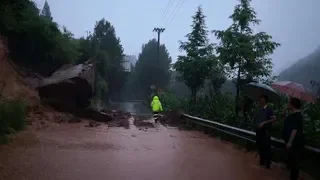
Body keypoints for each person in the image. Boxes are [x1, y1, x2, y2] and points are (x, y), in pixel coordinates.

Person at [282, 97, 305, 180]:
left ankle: (293, 177)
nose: (288, 104)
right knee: (292, 160)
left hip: (295, 142)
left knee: (295, 161)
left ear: (292, 104)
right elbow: (288, 125)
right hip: (291, 142)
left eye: (289, 103)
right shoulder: (293, 115)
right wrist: (284, 116)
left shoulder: (298, 116)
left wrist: (290, 141)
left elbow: (294, 129)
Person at [254, 94, 276, 168]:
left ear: (265, 100)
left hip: (265, 131)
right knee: (260, 146)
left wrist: (264, 123)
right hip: (258, 131)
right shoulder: (259, 109)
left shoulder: (269, 109)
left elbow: (274, 119)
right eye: (260, 98)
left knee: (266, 147)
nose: (260, 100)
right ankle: (262, 162)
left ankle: (268, 164)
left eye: (261, 98)